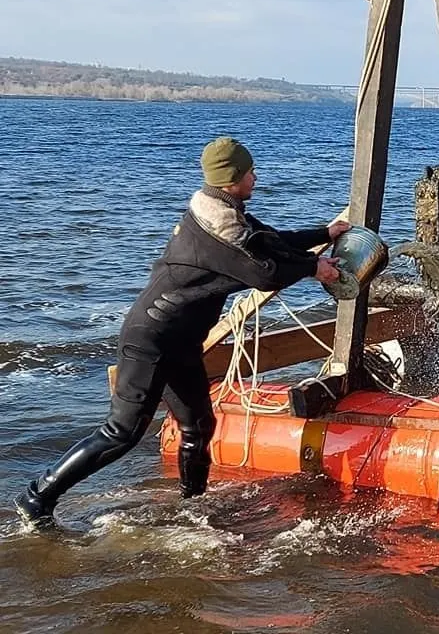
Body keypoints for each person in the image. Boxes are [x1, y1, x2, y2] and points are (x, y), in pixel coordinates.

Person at [15, 137, 349, 527]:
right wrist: (314, 269)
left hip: (182, 341)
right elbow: (264, 273)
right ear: (231, 179)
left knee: (198, 426)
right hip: (152, 338)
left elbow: (270, 242)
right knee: (122, 432)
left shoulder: (223, 210)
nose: (256, 178)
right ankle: (36, 497)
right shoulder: (219, 229)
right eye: (250, 173)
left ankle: (193, 506)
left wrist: (324, 233)